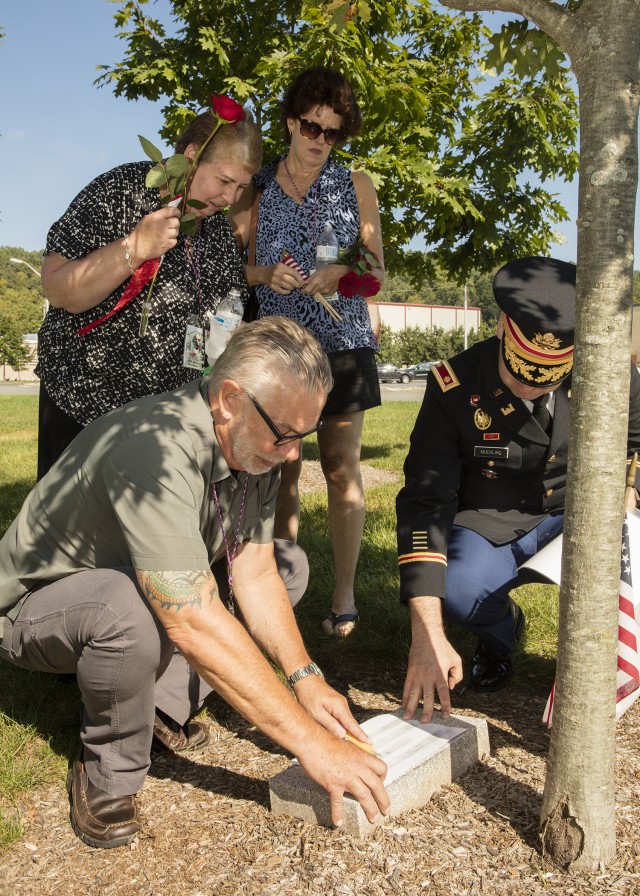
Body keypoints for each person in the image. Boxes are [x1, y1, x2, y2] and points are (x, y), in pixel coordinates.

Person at [0, 318, 390, 849]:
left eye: (305, 435)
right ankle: (108, 771)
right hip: (38, 606)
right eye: (286, 435)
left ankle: (157, 707)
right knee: (128, 612)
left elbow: (254, 571)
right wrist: (311, 744)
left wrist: (306, 678)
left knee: (290, 564)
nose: (295, 454)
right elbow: (190, 618)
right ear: (229, 398)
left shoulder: (256, 440)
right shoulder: (154, 448)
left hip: (141, 585)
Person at [396, 257, 640, 718]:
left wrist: (631, 490)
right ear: (505, 332)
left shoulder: (608, 374)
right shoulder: (454, 383)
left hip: (578, 512)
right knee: (460, 591)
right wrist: (425, 634)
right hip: (493, 520)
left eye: (544, 380)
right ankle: (501, 631)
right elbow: (425, 501)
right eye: (517, 373)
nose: (525, 390)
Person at [229, 67, 385, 637]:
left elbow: (376, 271)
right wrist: (265, 273)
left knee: (342, 466)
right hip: (278, 352)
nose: (322, 140)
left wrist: (341, 270)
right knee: (284, 468)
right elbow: (229, 268)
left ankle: (343, 595)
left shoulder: (356, 184)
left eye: (334, 132)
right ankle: (280, 588)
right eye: (313, 127)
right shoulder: (256, 187)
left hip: (342, 344)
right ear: (292, 123)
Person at [36, 99, 262, 479]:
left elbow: (228, 316)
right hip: (83, 406)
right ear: (191, 156)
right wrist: (134, 249)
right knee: (71, 535)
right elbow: (59, 288)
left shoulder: (219, 233)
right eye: (224, 181)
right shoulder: (120, 190)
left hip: (162, 426)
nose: (230, 198)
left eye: (240, 187)